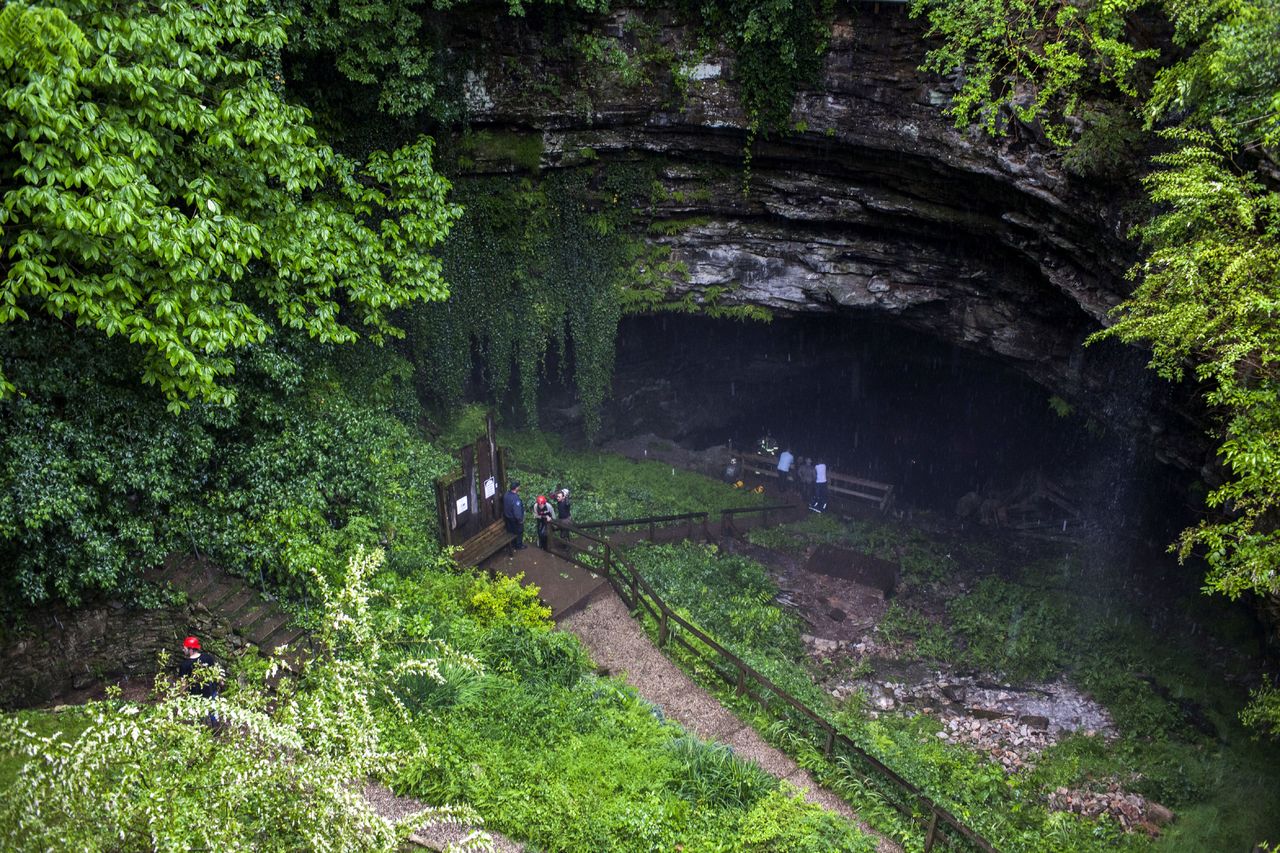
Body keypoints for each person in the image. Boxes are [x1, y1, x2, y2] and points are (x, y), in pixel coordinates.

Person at [178, 635, 221, 725]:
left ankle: (201, 730)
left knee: (199, 714)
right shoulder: (207, 658)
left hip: (196, 695)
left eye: (184, 647)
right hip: (211, 691)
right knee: (213, 711)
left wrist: (181, 695)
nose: (183, 649)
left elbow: (183, 683)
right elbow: (215, 673)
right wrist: (220, 683)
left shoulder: (185, 665)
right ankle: (216, 728)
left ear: (190, 649)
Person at [503, 480, 526, 550]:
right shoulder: (515, 499)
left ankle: (513, 544)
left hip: (507, 518)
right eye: (518, 486)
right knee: (519, 531)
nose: (519, 487)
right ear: (516, 488)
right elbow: (517, 512)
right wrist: (520, 520)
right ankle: (519, 545)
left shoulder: (506, 494)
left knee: (511, 531)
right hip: (515, 519)